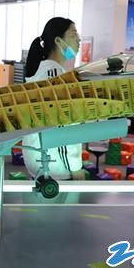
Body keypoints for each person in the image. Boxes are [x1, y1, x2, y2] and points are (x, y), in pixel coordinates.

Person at [22, 17, 85, 181]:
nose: (79, 39)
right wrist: (76, 168)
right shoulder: (55, 75)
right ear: (58, 40)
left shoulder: (42, 72)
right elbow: (63, 126)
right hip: (55, 163)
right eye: (73, 34)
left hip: (39, 158)